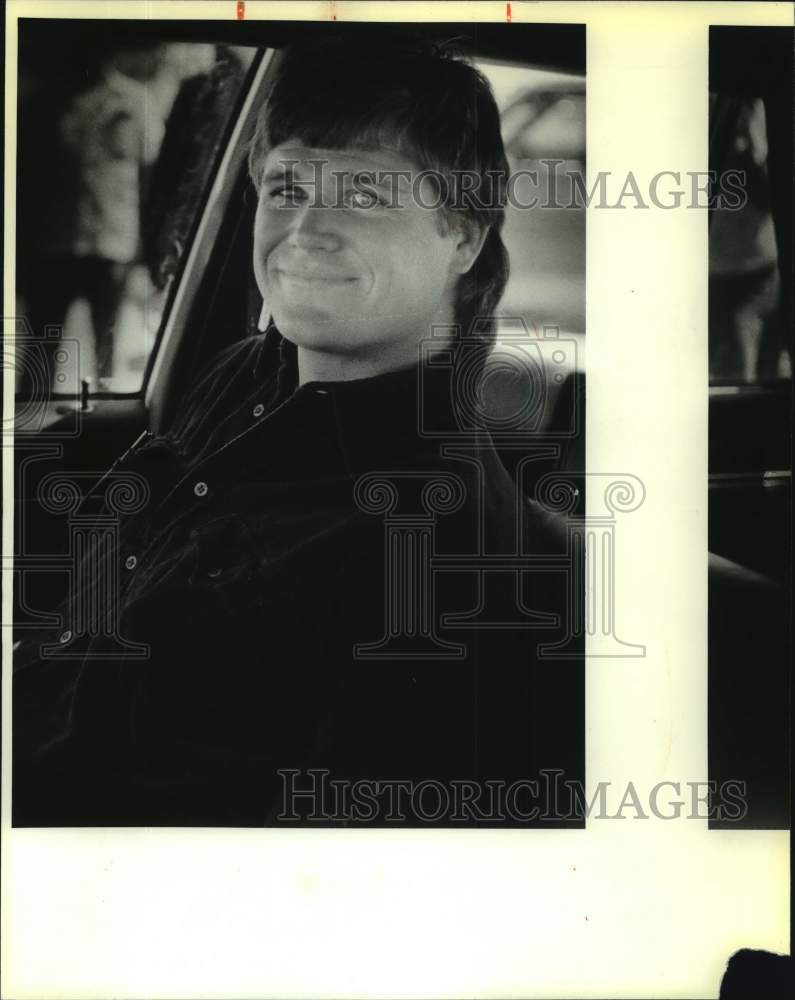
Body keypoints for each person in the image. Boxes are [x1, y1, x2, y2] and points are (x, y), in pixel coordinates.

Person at [13, 34, 583, 827]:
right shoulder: (248, 372)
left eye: (366, 194)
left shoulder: (426, 538)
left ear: (464, 236)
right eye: (287, 186)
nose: (304, 229)